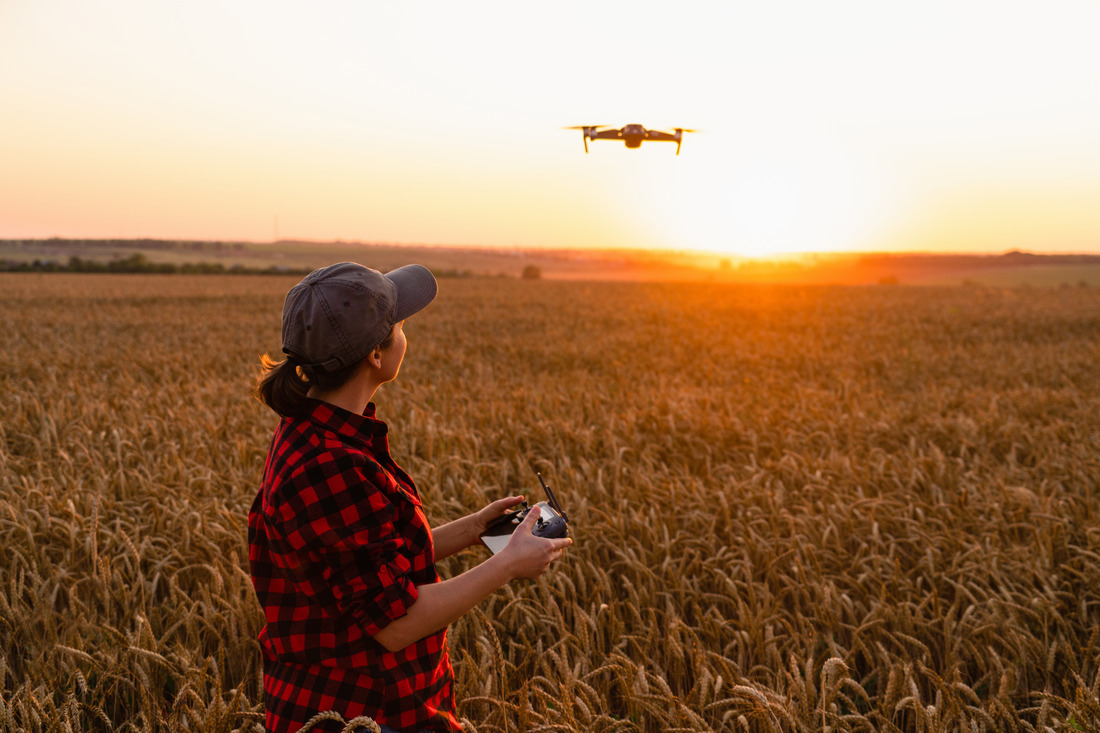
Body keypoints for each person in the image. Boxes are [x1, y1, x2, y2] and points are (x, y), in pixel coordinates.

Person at [247, 262, 572, 733]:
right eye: (398, 327)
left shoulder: (313, 429)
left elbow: (361, 564)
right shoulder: (332, 465)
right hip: (366, 710)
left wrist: (475, 528)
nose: (405, 335)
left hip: (346, 698)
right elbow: (394, 624)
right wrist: (508, 564)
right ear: (375, 356)